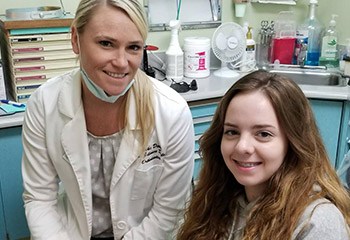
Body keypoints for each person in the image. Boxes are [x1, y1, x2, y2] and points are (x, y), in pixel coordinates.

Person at [21, 0, 194, 239]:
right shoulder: (44, 104)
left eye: (133, 47)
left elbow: (167, 212)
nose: (122, 63)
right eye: (106, 43)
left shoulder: (172, 113)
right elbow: (39, 198)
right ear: (75, 39)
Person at [177, 70, 350, 240]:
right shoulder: (218, 197)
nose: (242, 147)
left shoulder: (317, 221)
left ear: (293, 142)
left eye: (263, 134)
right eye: (232, 132)